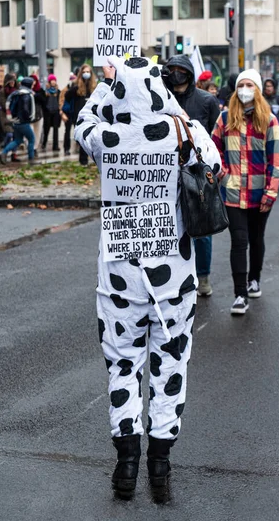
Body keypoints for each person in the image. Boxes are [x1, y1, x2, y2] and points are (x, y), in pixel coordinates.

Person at [74, 55, 221, 500]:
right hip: (173, 282)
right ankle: (160, 469)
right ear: (160, 88)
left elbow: (83, 120)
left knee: (122, 367)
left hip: (118, 281)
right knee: (170, 367)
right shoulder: (184, 131)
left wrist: (106, 85)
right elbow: (212, 168)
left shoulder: (106, 138)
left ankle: (125, 468)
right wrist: (174, 112)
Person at [212, 69, 279, 315]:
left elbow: (276, 160)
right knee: (239, 241)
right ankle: (240, 293)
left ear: (258, 90)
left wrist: (270, 192)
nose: (244, 89)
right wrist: (221, 172)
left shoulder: (269, 120)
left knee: (256, 238)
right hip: (232, 193)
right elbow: (214, 149)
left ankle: (255, 279)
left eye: (249, 85)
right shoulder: (224, 118)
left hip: (259, 192)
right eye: (241, 84)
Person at [162, 55, 220, 297]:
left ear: (188, 73)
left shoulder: (206, 101)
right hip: (168, 173)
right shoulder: (161, 99)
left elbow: (217, 136)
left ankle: (203, 276)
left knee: (201, 228)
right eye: (171, 70)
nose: (176, 74)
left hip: (198, 174)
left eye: (180, 70)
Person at [0, 77, 35, 164]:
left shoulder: (16, 93)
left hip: (16, 121)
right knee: (31, 139)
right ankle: (31, 159)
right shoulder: (26, 94)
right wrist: (27, 118)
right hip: (23, 122)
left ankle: (3, 153)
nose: (33, 86)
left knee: (17, 140)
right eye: (32, 84)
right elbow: (25, 109)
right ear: (28, 84)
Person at [65, 64, 97, 165]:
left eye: (88, 72)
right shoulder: (76, 87)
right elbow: (67, 96)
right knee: (82, 139)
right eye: (84, 72)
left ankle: (87, 159)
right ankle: (83, 161)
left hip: (92, 116)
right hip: (79, 116)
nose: (86, 74)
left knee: (90, 138)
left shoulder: (94, 86)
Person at [0, 73, 19, 161]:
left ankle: (13, 155)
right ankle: (4, 152)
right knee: (9, 133)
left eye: (13, 80)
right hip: (5, 115)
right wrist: (12, 105)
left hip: (15, 115)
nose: (12, 82)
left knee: (16, 135)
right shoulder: (2, 92)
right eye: (11, 81)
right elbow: (3, 104)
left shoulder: (17, 90)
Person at [60, 72, 77, 155]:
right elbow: (61, 102)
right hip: (67, 113)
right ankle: (66, 149)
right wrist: (62, 113)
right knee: (67, 131)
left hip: (76, 113)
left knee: (78, 131)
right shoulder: (65, 90)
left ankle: (79, 148)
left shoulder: (78, 89)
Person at [42, 74, 61, 152]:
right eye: (52, 80)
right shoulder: (46, 92)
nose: (53, 82)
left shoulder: (58, 91)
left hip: (56, 112)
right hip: (48, 113)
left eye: (54, 80)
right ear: (49, 82)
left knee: (56, 129)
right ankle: (44, 143)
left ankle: (55, 146)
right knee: (46, 129)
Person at [29, 74, 46, 157]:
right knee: (30, 133)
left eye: (34, 80)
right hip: (29, 116)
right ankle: (30, 148)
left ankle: (35, 148)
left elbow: (44, 101)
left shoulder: (40, 90)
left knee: (37, 133)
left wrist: (35, 95)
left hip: (38, 115)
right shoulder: (25, 91)